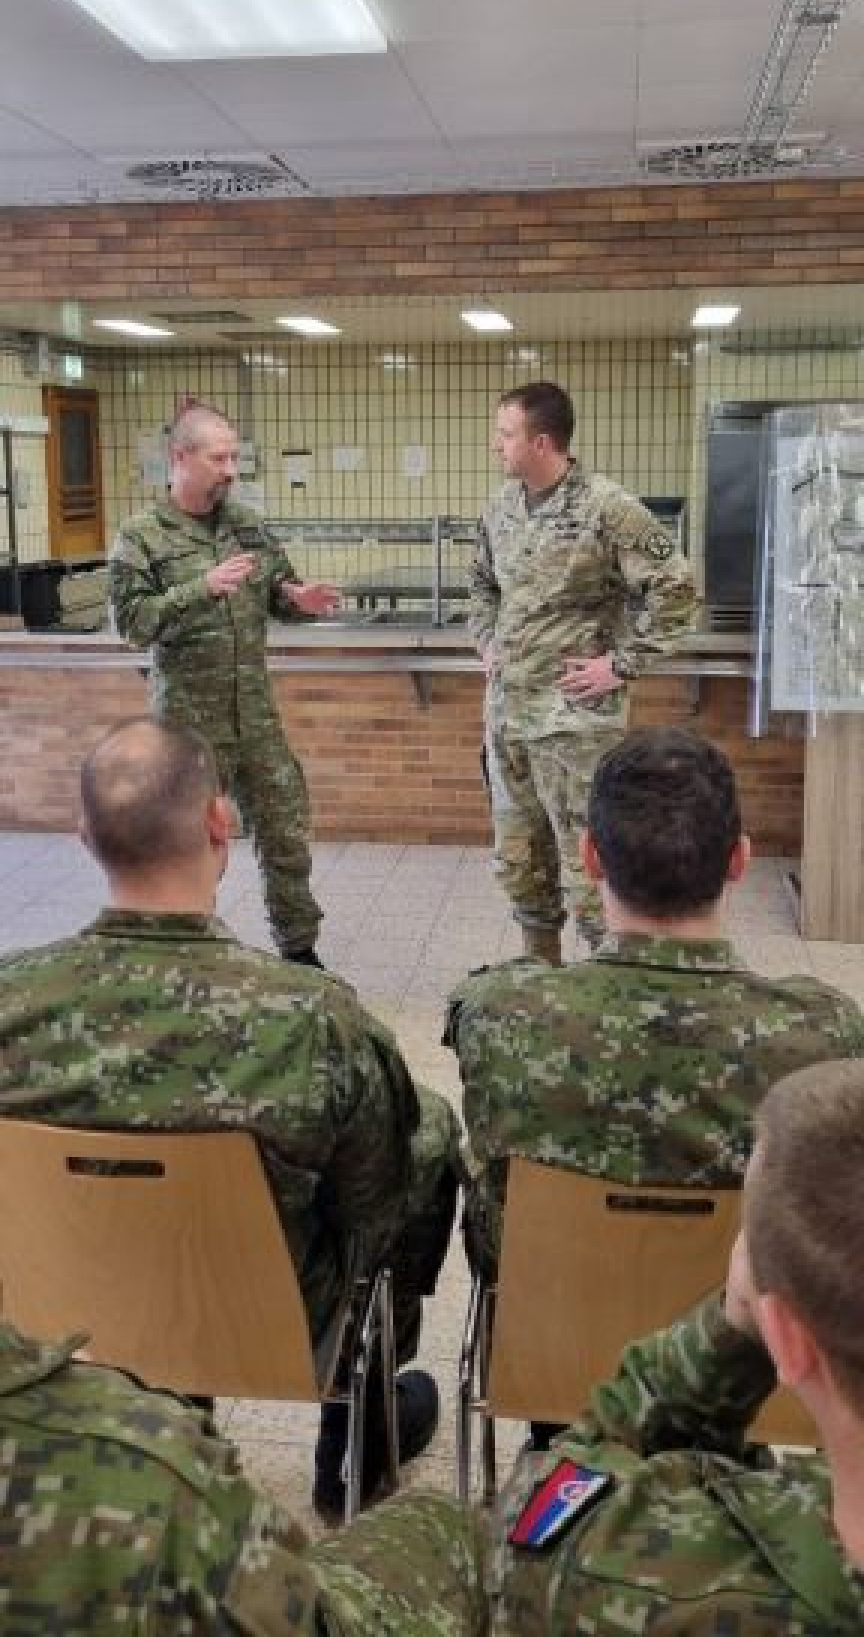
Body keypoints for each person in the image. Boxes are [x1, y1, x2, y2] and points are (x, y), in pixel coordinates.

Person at [8, 1060, 864, 1631]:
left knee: (444, 1528)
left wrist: (728, 1325)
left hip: (253, 1324)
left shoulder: (621, 1572)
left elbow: (554, 1498)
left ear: (784, 1338)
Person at [0, 717, 461, 1519]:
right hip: (272, 1319)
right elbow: (375, 1203)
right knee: (429, 1135)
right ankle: (356, 1432)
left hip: (58, 1309)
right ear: (221, 822)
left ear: (83, 837)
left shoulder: (11, 998)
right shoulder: (313, 1019)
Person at [444, 726, 864, 1281]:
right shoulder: (827, 1034)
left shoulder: (499, 1013)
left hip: (547, 1317)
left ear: (590, 858)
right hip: (743, 1326)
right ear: (739, 861)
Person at [469, 380, 697, 960]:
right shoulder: (500, 507)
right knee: (519, 861)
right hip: (508, 719)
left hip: (574, 723)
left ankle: (606, 979)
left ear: (542, 442)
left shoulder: (606, 507)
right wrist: (487, 641)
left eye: (505, 434)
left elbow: (678, 590)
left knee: (589, 866)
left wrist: (621, 665)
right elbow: (482, 586)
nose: (495, 445)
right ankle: (541, 972)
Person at [109, 402, 339, 965]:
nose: (231, 470)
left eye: (235, 457)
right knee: (185, 846)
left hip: (255, 720)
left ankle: (299, 952)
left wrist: (300, 600)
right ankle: (186, 955)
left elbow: (280, 589)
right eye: (219, 458)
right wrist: (201, 589)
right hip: (188, 729)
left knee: (286, 832)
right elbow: (132, 626)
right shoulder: (142, 537)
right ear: (179, 458)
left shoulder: (246, 526)